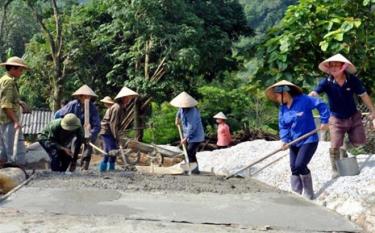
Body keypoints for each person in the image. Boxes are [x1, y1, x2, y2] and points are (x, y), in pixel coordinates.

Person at [309, 54, 375, 178]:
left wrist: (373, 110)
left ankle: (344, 148)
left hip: (353, 116)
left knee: (359, 142)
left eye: (336, 65)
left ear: (343, 66)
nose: (333, 68)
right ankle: (335, 168)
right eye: (331, 65)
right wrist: (309, 97)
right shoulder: (326, 82)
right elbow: (315, 92)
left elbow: (364, 95)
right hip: (336, 118)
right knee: (334, 145)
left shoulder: (352, 80)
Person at [266, 80, 330, 199]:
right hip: (294, 141)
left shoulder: (304, 100)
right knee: (294, 168)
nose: (276, 99)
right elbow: (283, 125)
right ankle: (296, 193)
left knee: (300, 165)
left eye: (277, 96)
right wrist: (285, 140)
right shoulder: (283, 108)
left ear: (284, 93)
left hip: (309, 139)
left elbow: (321, 105)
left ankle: (309, 193)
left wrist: (325, 121)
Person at [55, 85, 101, 170]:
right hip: (74, 130)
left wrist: (92, 133)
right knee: (74, 143)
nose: (87, 98)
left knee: (89, 145)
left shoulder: (92, 108)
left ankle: (85, 166)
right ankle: (72, 162)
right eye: (85, 96)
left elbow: (97, 124)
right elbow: (58, 114)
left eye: (89, 96)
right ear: (80, 96)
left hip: (87, 131)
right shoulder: (72, 105)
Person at [98, 88, 138, 172]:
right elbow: (113, 124)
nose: (129, 100)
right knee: (113, 149)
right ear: (122, 98)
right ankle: (110, 168)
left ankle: (104, 168)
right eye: (127, 98)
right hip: (107, 131)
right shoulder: (117, 108)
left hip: (110, 131)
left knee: (108, 150)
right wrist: (117, 137)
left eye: (130, 98)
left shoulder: (121, 107)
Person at [0, 57, 29, 166]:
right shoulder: (9, 82)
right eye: (20, 70)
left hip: (2, 120)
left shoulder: (3, 80)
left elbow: (6, 99)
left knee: (3, 151)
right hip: (8, 120)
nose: (21, 73)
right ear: (12, 68)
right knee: (14, 151)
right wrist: (16, 121)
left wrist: (20, 102)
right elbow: (6, 105)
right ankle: (15, 171)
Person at [171, 91, 204, 174]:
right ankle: (194, 170)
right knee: (191, 153)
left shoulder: (193, 112)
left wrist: (185, 138)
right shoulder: (182, 108)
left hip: (196, 136)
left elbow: (192, 127)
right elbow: (179, 112)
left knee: (189, 151)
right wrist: (177, 118)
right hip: (188, 135)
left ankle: (191, 169)